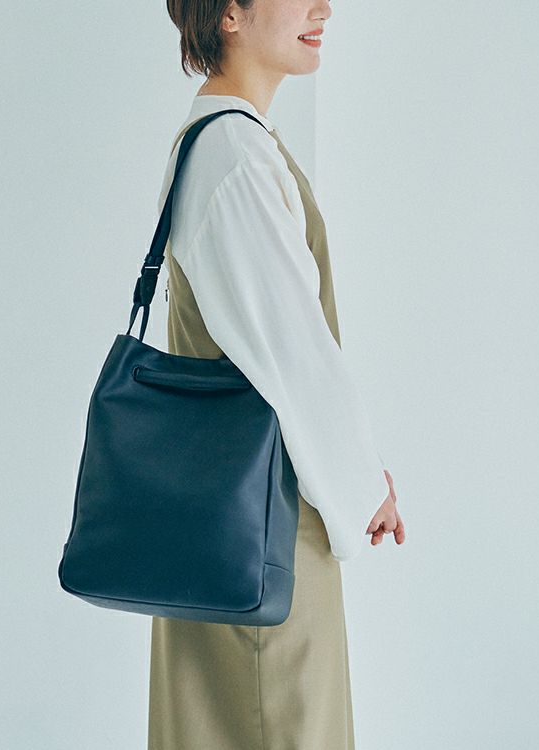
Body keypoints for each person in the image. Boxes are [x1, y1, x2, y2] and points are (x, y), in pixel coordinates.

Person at [149, 1, 406, 747]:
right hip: (266, 536)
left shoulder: (226, 140)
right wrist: (361, 483)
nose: (323, 7)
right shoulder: (234, 155)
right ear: (230, 12)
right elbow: (293, 355)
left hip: (230, 525)